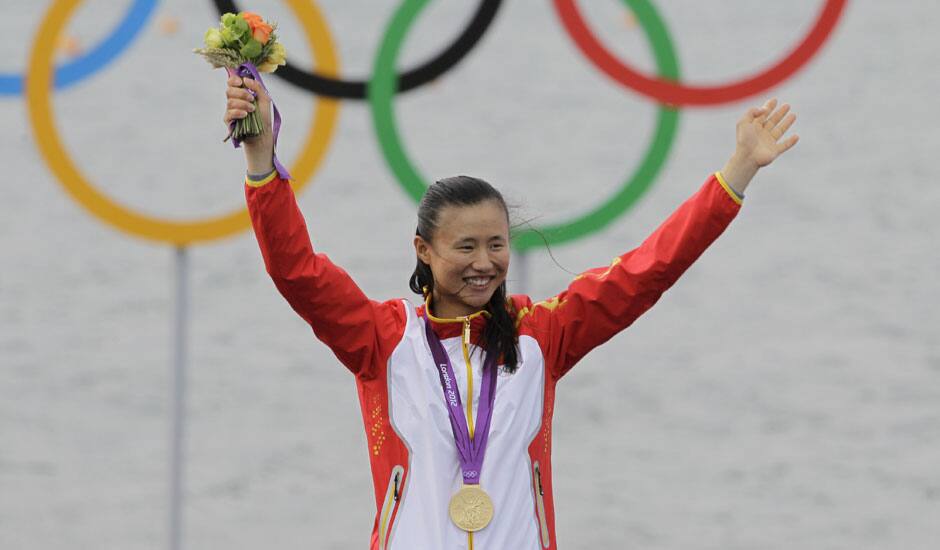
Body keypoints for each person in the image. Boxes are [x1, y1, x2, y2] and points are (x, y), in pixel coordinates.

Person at [223, 74, 798, 550]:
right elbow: (295, 270)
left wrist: (738, 171)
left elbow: (648, 271)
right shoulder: (381, 339)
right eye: (465, 248)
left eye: (496, 245)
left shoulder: (543, 334)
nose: (484, 263)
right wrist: (261, 159)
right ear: (424, 250)